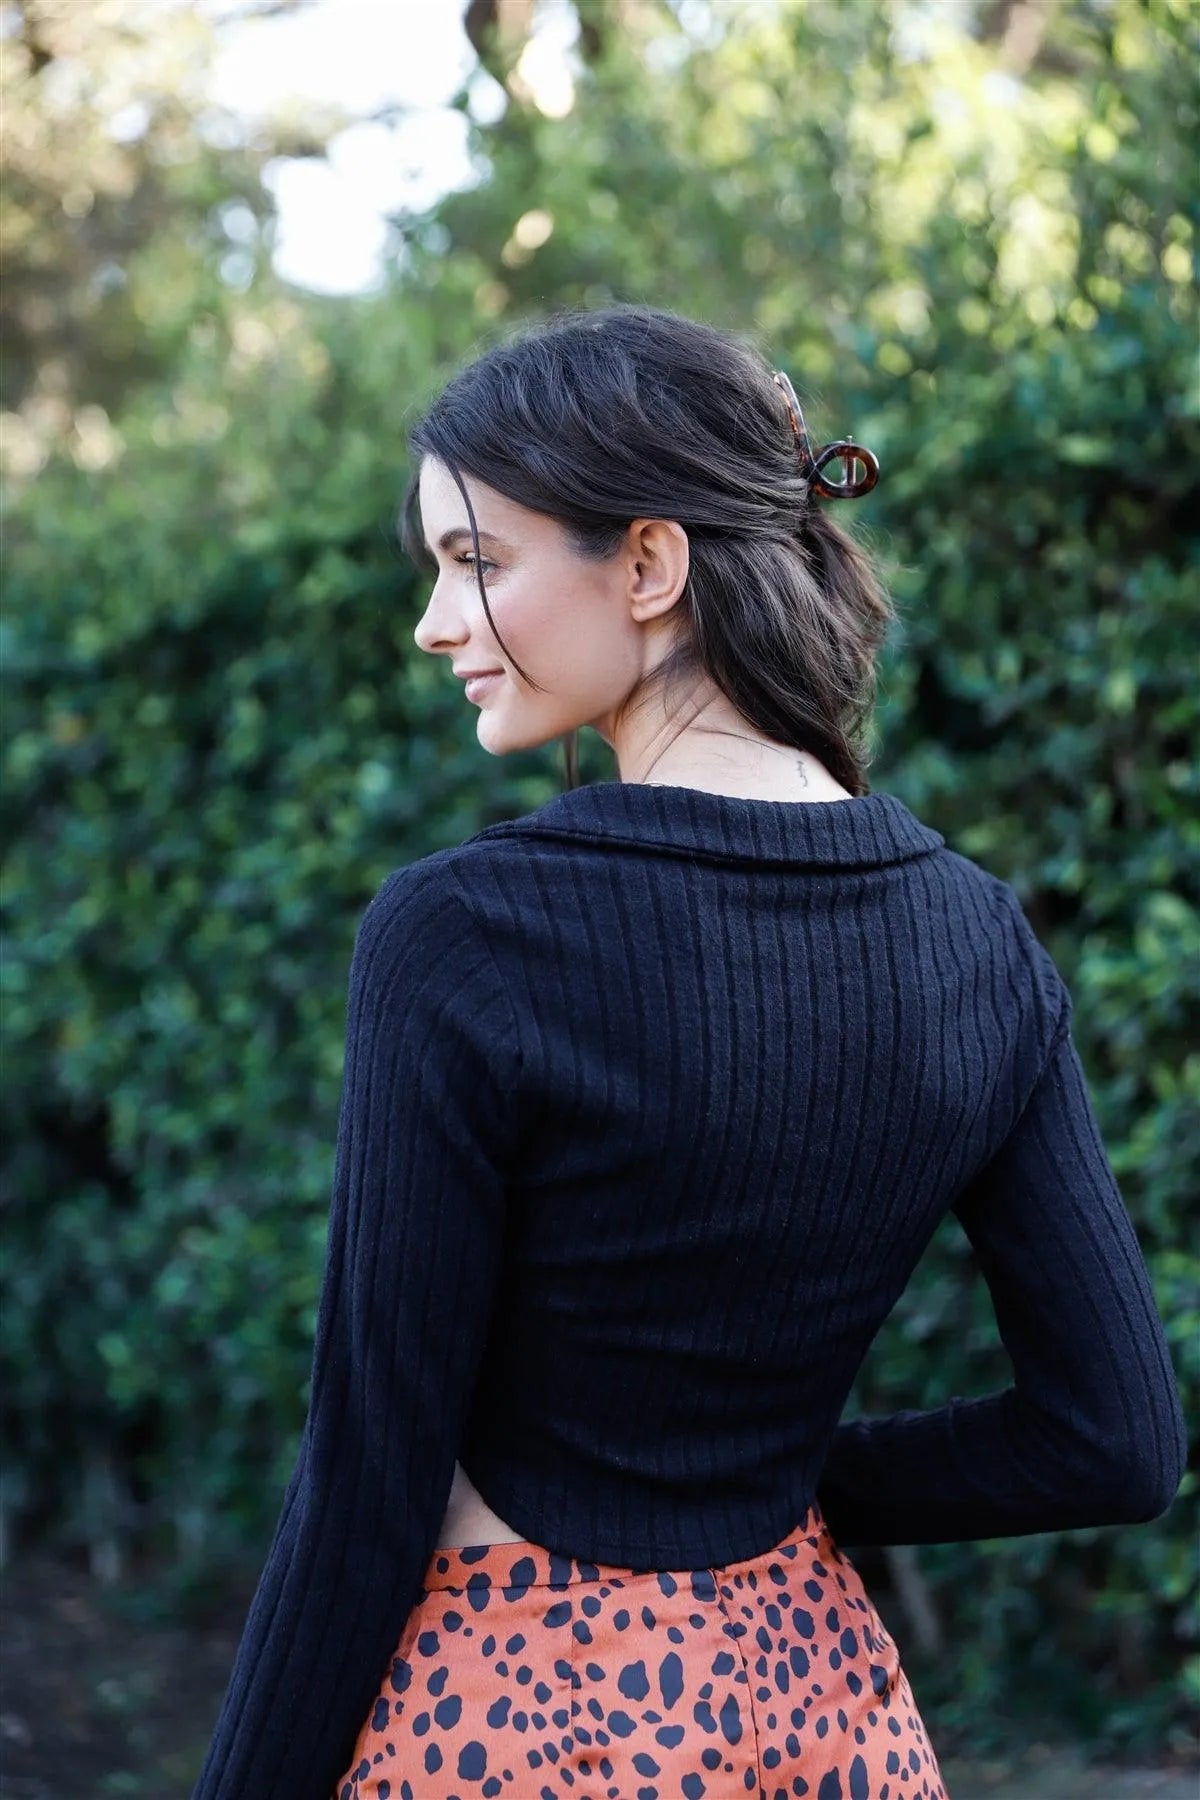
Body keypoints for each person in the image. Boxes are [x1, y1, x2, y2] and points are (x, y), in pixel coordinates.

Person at [192, 305, 1185, 1800]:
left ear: (650, 565)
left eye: (475, 560)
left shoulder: (466, 935)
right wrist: (777, 1487)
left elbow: (368, 1479)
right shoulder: (981, 939)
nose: (435, 623)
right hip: (829, 1717)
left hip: (522, 1719)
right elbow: (1114, 1442)